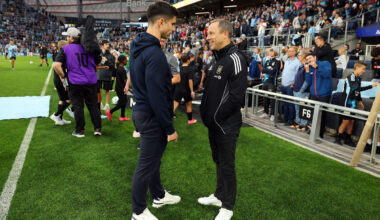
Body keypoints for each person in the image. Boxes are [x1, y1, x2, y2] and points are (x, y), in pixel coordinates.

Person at [129, 2, 180, 219]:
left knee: (153, 160)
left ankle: (158, 195)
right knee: (146, 165)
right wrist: (170, 128)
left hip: (141, 111)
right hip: (151, 115)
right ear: (161, 22)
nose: (174, 29)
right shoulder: (155, 54)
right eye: (173, 24)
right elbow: (157, 96)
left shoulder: (137, 44)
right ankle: (138, 212)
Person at [199, 19, 248, 220]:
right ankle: (219, 195)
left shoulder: (236, 58)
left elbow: (237, 98)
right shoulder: (216, 59)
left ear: (225, 34)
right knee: (218, 160)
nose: (207, 37)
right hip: (214, 125)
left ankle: (227, 207)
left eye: (211, 33)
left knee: (227, 164)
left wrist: (216, 118)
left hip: (226, 124)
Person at [53, 27, 102, 138]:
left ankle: (80, 130)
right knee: (93, 106)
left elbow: (56, 65)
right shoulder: (89, 48)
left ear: (71, 37)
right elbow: (98, 62)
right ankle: (97, 128)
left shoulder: (65, 49)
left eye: (67, 36)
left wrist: (63, 76)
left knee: (78, 106)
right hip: (91, 81)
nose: (67, 38)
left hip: (75, 82)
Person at [335, 61, 379, 146]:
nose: (364, 71)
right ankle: (338, 137)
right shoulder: (351, 77)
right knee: (346, 121)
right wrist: (372, 86)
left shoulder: (358, 78)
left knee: (352, 121)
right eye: (363, 69)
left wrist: (360, 101)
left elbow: (357, 92)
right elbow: (356, 89)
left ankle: (348, 138)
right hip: (347, 102)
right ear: (357, 68)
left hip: (353, 102)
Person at [305, 52, 332, 138]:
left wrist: (316, 67)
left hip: (324, 94)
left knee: (322, 115)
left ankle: (320, 133)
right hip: (313, 94)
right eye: (307, 59)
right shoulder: (310, 67)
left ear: (315, 57)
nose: (309, 60)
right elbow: (309, 82)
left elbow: (327, 74)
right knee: (312, 114)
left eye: (310, 58)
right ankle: (312, 129)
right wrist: (307, 71)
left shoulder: (325, 63)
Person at [50, 40, 72, 126]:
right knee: (68, 99)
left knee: (62, 99)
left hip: (58, 79)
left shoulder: (59, 54)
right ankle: (56, 115)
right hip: (61, 80)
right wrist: (64, 80)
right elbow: (58, 67)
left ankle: (60, 119)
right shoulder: (62, 55)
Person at [173, 54, 197, 124]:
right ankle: (190, 120)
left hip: (178, 89)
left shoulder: (178, 68)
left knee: (174, 105)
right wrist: (192, 91)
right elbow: (190, 81)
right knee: (188, 104)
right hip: (186, 90)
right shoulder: (190, 69)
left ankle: (166, 119)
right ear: (188, 60)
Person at [281, 46, 302, 126]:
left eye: (290, 51)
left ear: (294, 52)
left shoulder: (297, 62)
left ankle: (290, 120)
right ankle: (285, 119)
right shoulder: (287, 61)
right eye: (288, 51)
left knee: (290, 104)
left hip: (290, 86)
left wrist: (293, 83)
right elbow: (284, 72)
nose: (288, 52)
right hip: (284, 85)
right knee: (285, 103)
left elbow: (297, 75)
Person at [105, 55, 131, 121]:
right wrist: (131, 87)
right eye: (126, 60)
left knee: (124, 101)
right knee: (122, 102)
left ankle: (122, 116)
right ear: (122, 61)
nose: (127, 61)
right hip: (120, 88)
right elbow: (125, 81)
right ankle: (110, 112)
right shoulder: (122, 69)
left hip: (119, 87)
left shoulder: (119, 68)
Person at [259, 48, 281, 121]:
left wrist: (268, 70)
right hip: (265, 81)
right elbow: (263, 70)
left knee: (272, 99)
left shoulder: (277, 61)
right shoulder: (267, 61)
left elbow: (274, 72)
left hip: (272, 82)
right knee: (265, 98)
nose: (270, 53)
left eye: (271, 52)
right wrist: (268, 70)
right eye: (269, 52)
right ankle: (265, 112)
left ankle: (272, 114)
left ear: (274, 52)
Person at [292, 48, 310, 132]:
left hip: (302, 92)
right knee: (297, 109)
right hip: (296, 90)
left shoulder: (307, 66)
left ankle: (304, 124)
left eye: (299, 55)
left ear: (303, 56)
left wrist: (301, 90)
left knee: (303, 109)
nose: (298, 57)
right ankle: (298, 122)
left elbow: (307, 80)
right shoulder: (300, 66)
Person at [97, 40, 115, 111]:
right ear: (102, 45)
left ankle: (107, 105)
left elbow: (112, 66)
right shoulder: (98, 54)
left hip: (107, 75)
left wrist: (106, 61)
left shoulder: (111, 56)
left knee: (107, 90)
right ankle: (100, 103)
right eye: (106, 44)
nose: (108, 45)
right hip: (98, 74)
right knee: (99, 90)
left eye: (108, 44)